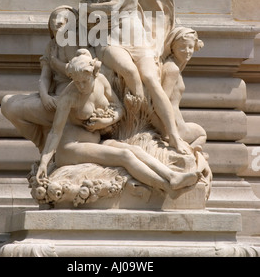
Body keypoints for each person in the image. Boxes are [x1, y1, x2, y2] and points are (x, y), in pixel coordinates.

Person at [81, 0, 190, 155]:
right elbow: (89, 13)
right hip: (108, 38)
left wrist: (86, 8)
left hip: (134, 35)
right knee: (130, 72)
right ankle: (135, 125)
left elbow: (113, 6)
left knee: (151, 78)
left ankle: (173, 136)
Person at [36, 49, 200, 196]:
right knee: (125, 155)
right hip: (70, 148)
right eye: (76, 81)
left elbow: (119, 108)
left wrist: (106, 120)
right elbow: (55, 132)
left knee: (134, 149)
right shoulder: (68, 97)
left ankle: (172, 176)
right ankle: (168, 187)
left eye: (84, 81)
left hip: (95, 141)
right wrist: (44, 162)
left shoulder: (101, 81)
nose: (80, 86)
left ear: (94, 73)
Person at [1, 5, 79, 152]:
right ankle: (44, 146)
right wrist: (44, 96)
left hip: (67, 102)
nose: (57, 22)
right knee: (6, 102)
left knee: (12, 107)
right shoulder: (51, 46)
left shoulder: (71, 42)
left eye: (63, 19)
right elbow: (44, 77)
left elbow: (78, 73)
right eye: (54, 18)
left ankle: (46, 148)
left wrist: (57, 64)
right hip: (52, 98)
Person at [160, 27, 207, 149]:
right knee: (201, 133)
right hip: (173, 123)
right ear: (172, 48)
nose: (187, 51)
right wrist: (170, 131)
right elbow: (162, 100)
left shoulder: (175, 65)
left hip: (174, 121)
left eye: (190, 47)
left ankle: (187, 150)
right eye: (182, 47)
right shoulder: (172, 69)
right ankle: (188, 150)